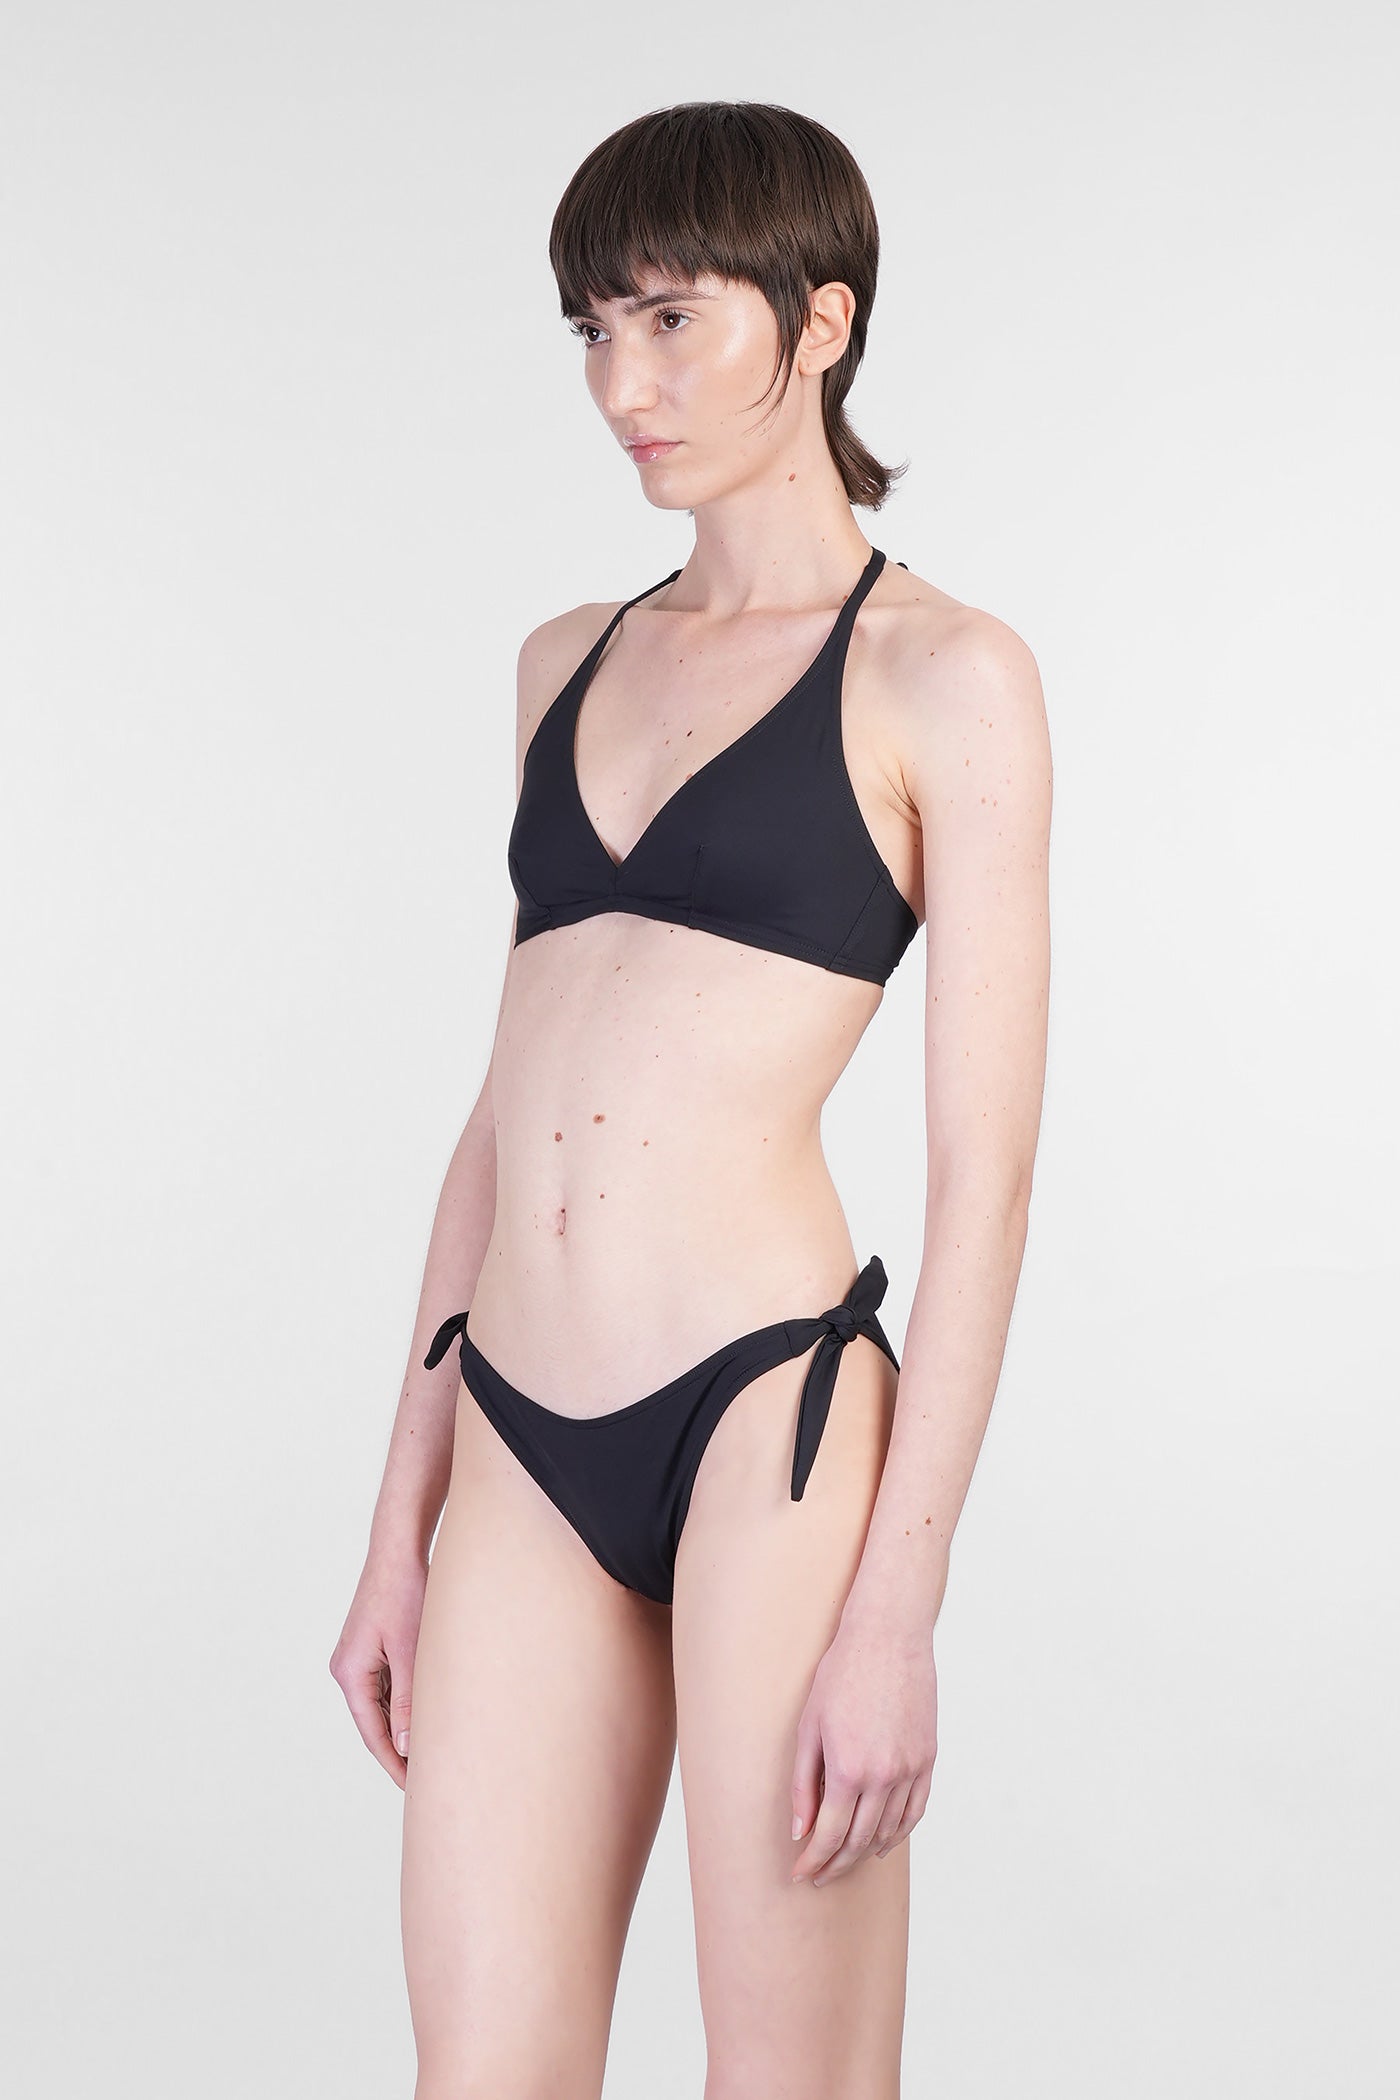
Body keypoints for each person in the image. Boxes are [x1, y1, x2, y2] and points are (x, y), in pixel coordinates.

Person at [331, 99, 1052, 2099]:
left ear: (820, 323)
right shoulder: (563, 662)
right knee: (483, 2075)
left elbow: (985, 1179)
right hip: (516, 1430)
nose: (618, 387)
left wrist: (898, 1610)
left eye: (670, 320)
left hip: (771, 1426)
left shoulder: (945, 676)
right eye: (592, 330)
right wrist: (397, 1515)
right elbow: (503, 1114)